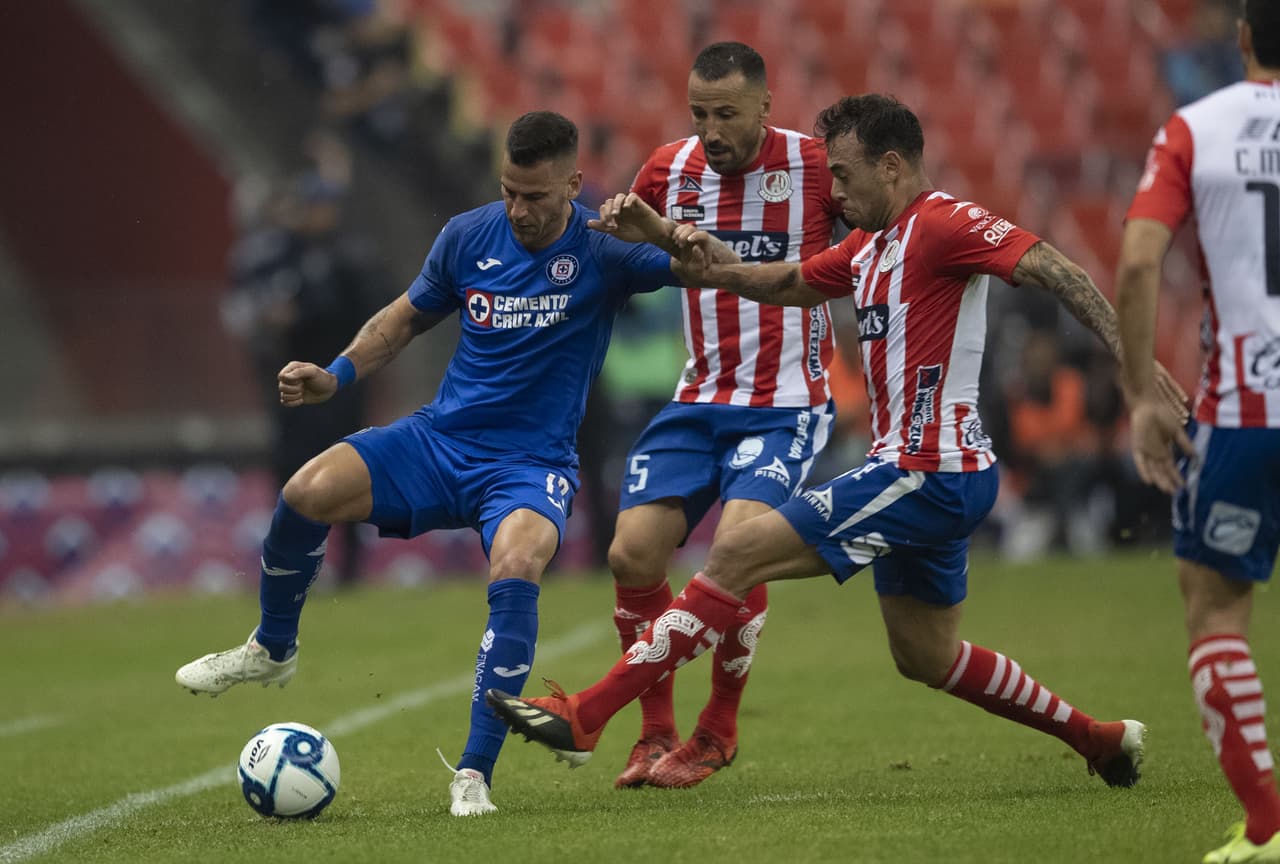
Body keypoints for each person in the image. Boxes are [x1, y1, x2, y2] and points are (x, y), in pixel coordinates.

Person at [487, 94, 1187, 792]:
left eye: (846, 176)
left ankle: (589, 715)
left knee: (735, 553)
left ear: (891, 166)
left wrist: (1136, 367)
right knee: (925, 655)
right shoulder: (869, 245)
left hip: (924, 469)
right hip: (933, 477)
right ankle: (1097, 738)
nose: (837, 193)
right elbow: (790, 281)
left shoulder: (944, 223)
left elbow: (1057, 270)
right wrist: (693, 254)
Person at [174, 111, 684, 817]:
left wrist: (658, 231)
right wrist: (336, 375)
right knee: (306, 490)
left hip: (529, 465)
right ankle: (272, 646)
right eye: (509, 191)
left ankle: (474, 774)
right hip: (439, 441)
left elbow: (707, 265)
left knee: (517, 565)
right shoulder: (467, 235)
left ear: (573, 184)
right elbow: (402, 319)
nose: (519, 209)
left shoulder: (607, 248)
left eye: (536, 196)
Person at [602, 41, 845, 789]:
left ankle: (718, 728)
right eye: (700, 114)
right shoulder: (668, 169)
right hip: (699, 397)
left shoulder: (815, 166)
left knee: (738, 548)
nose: (711, 131)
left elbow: (881, 236)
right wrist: (628, 225)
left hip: (785, 403)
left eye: (727, 114)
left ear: (766, 105)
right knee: (631, 555)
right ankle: (655, 732)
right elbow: (640, 252)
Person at [1116, 3, 1280, 861]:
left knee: (1215, 608)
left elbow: (1139, 260)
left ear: (1243, 35)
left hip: (1250, 408)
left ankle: (1268, 827)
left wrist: (1141, 396)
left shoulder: (1196, 129)